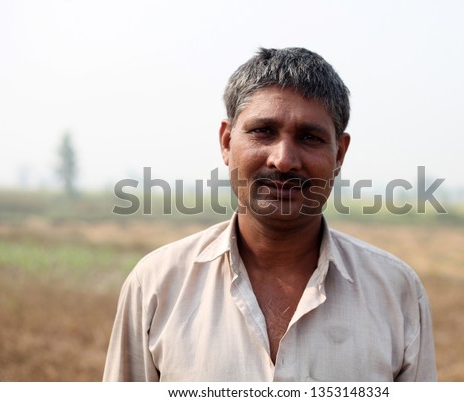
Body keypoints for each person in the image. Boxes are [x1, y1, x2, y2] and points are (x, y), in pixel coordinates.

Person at [103, 47, 437, 381]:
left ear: (340, 154)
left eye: (309, 137)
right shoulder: (158, 284)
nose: (284, 160)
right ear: (226, 142)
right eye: (263, 131)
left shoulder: (396, 292)